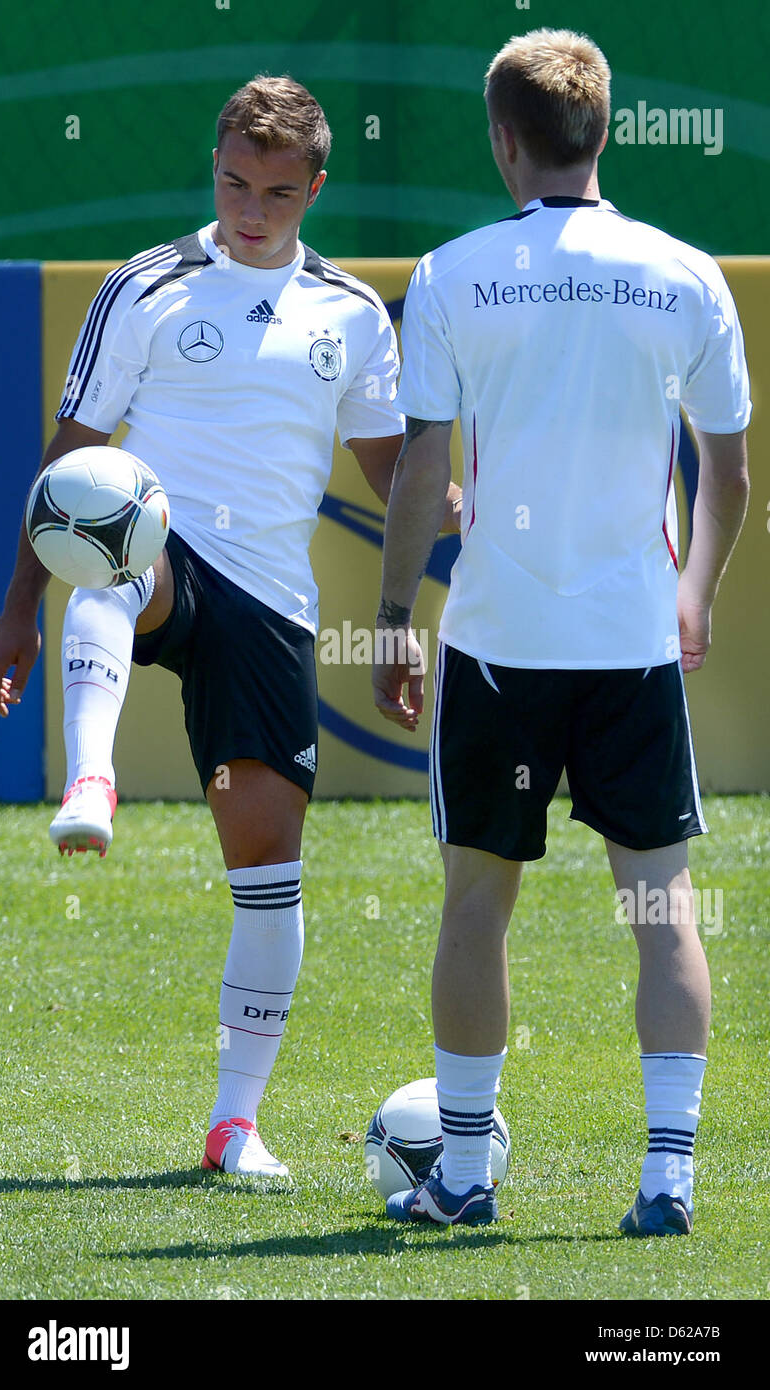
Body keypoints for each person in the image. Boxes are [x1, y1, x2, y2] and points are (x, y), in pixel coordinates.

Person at [0, 75, 460, 1180]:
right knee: (113, 521)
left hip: (272, 603)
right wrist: (16, 607)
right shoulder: (145, 286)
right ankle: (90, 779)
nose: (254, 211)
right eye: (237, 184)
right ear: (214, 168)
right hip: (162, 551)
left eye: (279, 193)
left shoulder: (349, 314)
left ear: (315, 188)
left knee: (268, 867)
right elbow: (67, 463)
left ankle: (233, 1126)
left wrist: (449, 516)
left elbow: (398, 480)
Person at [372, 28, 750, 1232]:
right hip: (633, 646)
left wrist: (392, 622)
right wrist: (693, 591)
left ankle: (469, 1177)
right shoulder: (687, 272)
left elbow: (422, 475)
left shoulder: (450, 273)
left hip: (498, 647)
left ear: (503, 138)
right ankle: (667, 1179)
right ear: (604, 132)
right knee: (661, 906)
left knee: (477, 902)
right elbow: (729, 470)